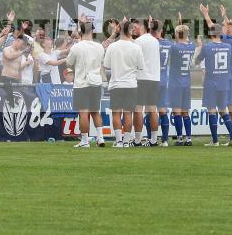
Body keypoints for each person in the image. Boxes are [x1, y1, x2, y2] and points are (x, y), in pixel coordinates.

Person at [65, 15, 106, 147]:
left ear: (81, 32)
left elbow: (68, 63)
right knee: (95, 112)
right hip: (96, 82)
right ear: (92, 31)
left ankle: (84, 141)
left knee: (83, 112)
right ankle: (100, 138)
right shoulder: (99, 47)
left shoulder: (77, 47)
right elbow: (101, 62)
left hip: (82, 83)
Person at [103, 19, 144, 147]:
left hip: (116, 84)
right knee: (128, 113)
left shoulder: (113, 46)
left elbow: (107, 65)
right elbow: (141, 66)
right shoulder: (136, 47)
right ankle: (126, 141)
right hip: (131, 84)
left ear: (119, 30)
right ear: (131, 30)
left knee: (116, 113)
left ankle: (119, 141)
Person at [195, 12, 232, 147]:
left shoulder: (207, 47)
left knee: (212, 110)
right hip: (224, 82)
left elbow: (197, 61)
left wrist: (199, 47)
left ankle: (215, 141)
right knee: (223, 110)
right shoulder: (228, 47)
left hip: (211, 82)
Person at [133, 18, 162, 146]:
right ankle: (154, 140)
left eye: (136, 27)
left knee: (138, 109)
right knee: (152, 109)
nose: (134, 29)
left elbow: (135, 60)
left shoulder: (138, 41)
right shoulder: (155, 41)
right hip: (154, 78)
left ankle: (137, 140)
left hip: (141, 78)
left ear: (142, 27)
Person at [168, 24, 196, 145]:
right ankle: (189, 138)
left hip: (175, 82)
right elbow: (185, 41)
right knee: (185, 111)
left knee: (177, 111)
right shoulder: (192, 46)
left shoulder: (174, 47)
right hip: (186, 82)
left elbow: (174, 46)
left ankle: (179, 138)